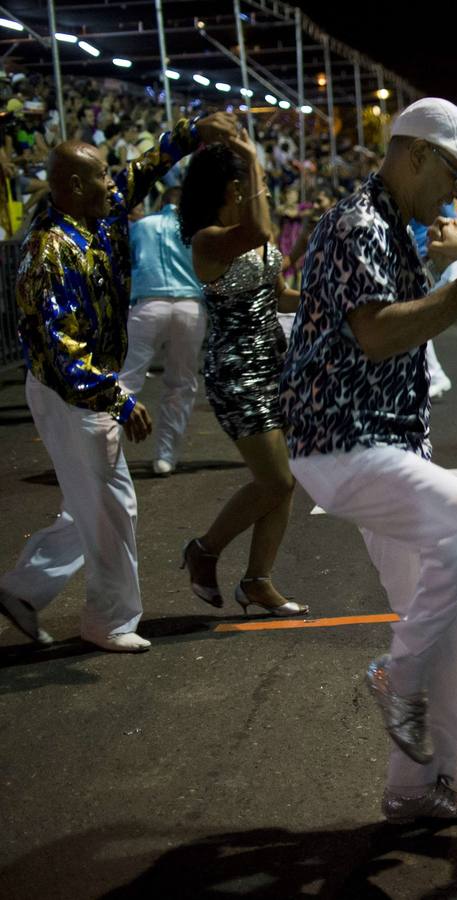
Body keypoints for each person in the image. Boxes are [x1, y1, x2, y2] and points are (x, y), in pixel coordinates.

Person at [280, 97, 457, 823]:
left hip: (379, 442)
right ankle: (395, 672)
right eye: (453, 173)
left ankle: (416, 790)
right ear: (414, 154)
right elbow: (378, 335)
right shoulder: (360, 223)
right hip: (347, 444)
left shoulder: (390, 223)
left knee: (441, 620)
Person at [0, 113, 238, 653]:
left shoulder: (98, 210)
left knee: (91, 502)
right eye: (102, 175)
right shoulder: (48, 252)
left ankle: (22, 591)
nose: (115, 183)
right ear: (74, 185)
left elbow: (149, 165)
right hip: (70, 393)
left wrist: (197, 132)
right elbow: (62, 351)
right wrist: (119, 400)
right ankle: (107, 619)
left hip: (82, 388)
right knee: (113, 503)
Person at [178, 132, 306, 617]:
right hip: (235, 372)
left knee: (284, 479)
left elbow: (280, 296)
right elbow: (256, 231)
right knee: (276, 481)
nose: (265, 196)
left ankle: (257, 581)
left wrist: (329, 300)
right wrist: (253, 156)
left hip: (274, 365)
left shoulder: (253, 240)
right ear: (233, 189)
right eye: (255, 186)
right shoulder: (209, 241)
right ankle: (204, 550)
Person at [119, 185, 206, 477]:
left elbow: (125, 263)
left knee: (126, 380)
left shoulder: (142, 225)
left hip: (148, 304)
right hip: (190, 306)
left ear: (161, 202)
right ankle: (165, 456)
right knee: (181, 383)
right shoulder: (197, 229)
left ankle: (106, 454)